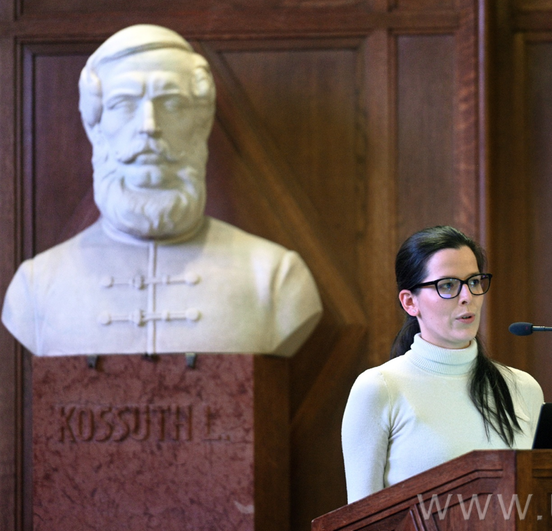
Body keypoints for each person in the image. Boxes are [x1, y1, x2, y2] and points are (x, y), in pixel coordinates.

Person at [1, 24, 322, 357]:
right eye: (123, 104)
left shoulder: (275, 279)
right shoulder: (36, 288)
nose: (149, 126)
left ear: (201, 124)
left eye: (172, 104)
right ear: (96, 127)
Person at [340, 225, 544, 503]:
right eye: (447, 285)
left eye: (474, 281)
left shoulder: (522, 388)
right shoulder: (379, 388)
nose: (467, 296)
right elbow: (361, 517)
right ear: (410, 302)